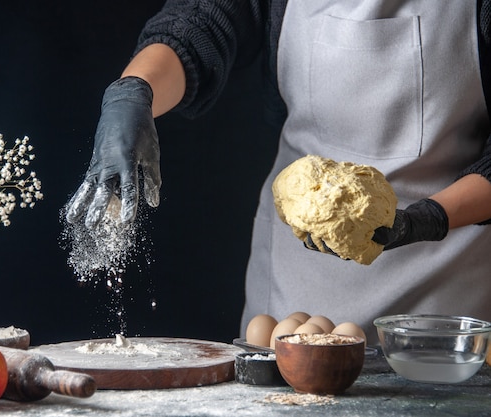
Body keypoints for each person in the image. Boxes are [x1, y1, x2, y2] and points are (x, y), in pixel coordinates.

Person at [66, 0, 491, 344]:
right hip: (296, 284)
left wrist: (429, 218)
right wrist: (134, 92)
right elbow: (199, 21)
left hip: (443, 289)